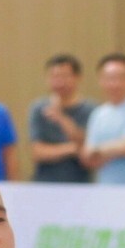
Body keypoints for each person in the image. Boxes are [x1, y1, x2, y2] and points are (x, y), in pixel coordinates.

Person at [80, 53, 125, 185]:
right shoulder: (98, 114)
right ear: (101, 80)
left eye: (120, 78)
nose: (115, 84)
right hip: (106, 187)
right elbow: (89, 158)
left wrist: (98, 151)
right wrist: (117, 149)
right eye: (109, 78)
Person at [28, 54, 93, 184]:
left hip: (80, 185)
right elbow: (37, 152)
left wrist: (62, 119)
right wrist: (72, 148)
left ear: (78, 78)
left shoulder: (90, 110)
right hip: (43, 184)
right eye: (54, 76)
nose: (59, 82)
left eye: (65, 76)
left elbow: (88, 153)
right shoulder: (39, 108)